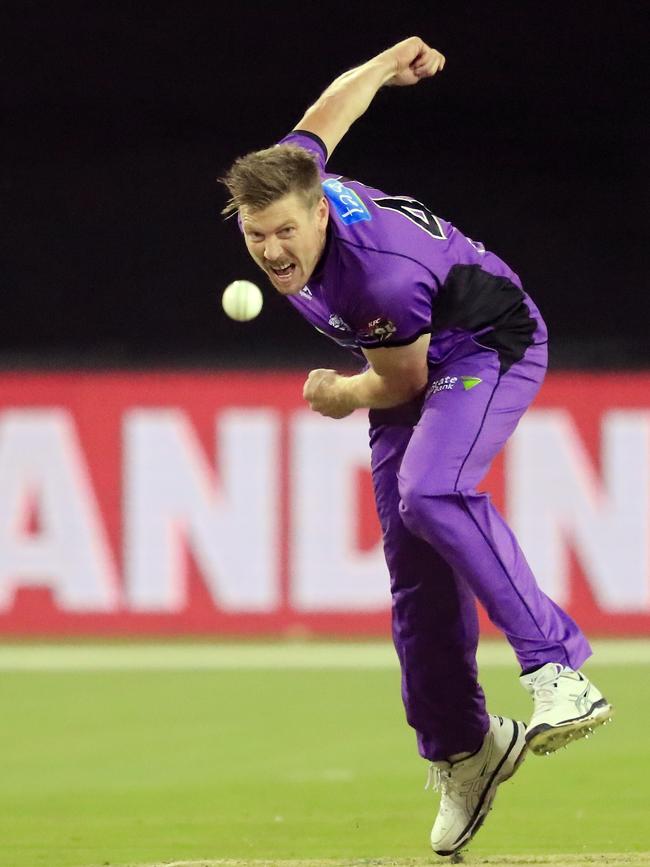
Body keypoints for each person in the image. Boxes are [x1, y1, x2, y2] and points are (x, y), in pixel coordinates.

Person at [220, 36, 613, 857]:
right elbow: (328, 114)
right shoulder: (295, 174)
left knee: (433, 492)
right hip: (414, 352)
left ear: (320, 209)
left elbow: (397, 384)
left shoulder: (375, 279)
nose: (272, 253)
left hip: (486, 343)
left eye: (284, 232)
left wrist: (334, 393)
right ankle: (465, 751)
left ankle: (557, 671)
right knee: (414, 579)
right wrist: (382, 67)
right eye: (257, 236)